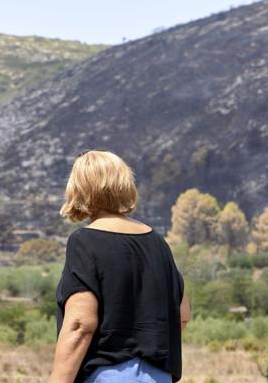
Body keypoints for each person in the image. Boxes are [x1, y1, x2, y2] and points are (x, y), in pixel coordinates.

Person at [49, 150, 191, 383]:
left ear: (79, 188)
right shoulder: (157, 242)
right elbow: (182, 315)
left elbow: (80, 323)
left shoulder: (84, 242)